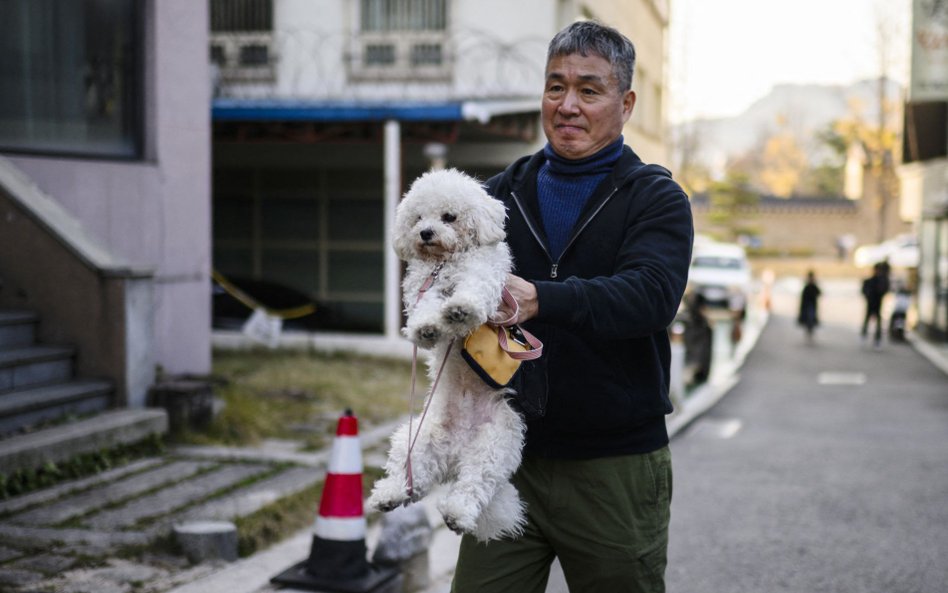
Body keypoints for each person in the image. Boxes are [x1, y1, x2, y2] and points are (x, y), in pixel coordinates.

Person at [451, 21, 694, 593]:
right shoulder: (495, 197)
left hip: (613, 467)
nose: (567, 105)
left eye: (589, 90)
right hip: (507, 460)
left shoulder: (655, 196)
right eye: (555, 87)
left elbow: (651, 296)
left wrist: (544, 298)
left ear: (626, 103)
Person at [861, 262, 890, 348]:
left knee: (878, 323)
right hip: (870, 303)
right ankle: (864, 334)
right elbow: (864, 291)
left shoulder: (882, 281)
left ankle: (877, 339)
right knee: (867, 320)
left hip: (878, 304)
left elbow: (884, 290)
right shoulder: (869, 281)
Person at [798, 269, 821, 343]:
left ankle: (810, 328)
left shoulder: (813, 285)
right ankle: (809, 328)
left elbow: (819, 293)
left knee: (811, 316)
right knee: (808, 317)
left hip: (812, 305)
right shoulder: (807, 286)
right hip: (808, 305)